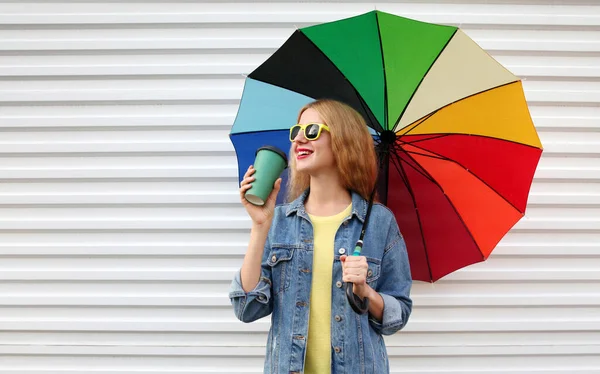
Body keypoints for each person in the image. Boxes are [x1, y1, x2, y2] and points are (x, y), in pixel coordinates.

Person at [229, 99, 413, 374]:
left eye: (312, 130)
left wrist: (366, 292)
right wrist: (260, 226)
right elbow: (246, 308)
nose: (299, 138)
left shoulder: (379, 222)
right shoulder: (278, 221)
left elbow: (398, 315)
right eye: (296, 131)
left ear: (343, 140)